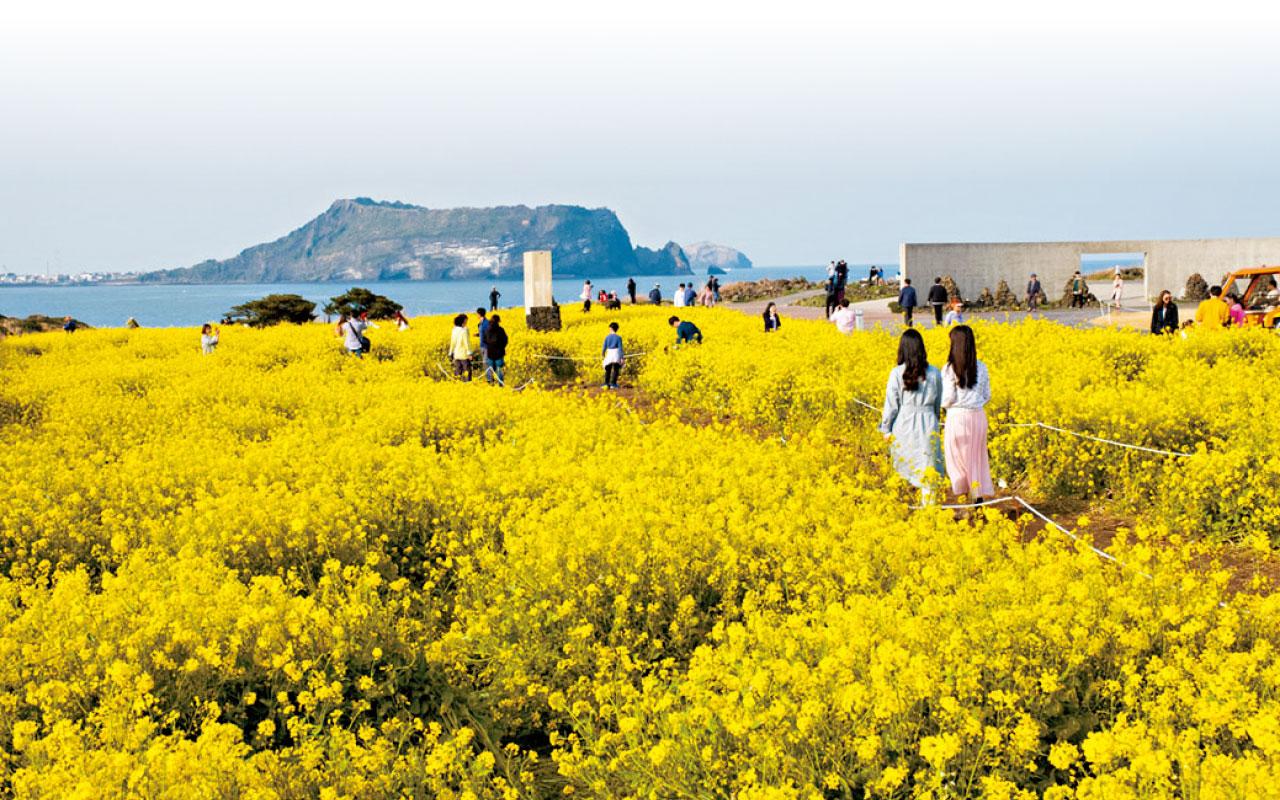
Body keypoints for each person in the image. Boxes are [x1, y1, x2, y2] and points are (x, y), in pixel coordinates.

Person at [878, 328, 944, 503]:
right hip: (929, 422)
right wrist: (935, 420)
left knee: (903, 467)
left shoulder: (896, 373)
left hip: (903, 423)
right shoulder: (935, 372)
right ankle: (928, 512)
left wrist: (885, 428)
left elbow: (891, 405)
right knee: (928, 468)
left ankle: (902, 508)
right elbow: (938, 402)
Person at [941, 325, 994, 501]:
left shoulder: (949, 369)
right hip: (978, 416)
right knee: (976, 459)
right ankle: (977, 497)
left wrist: (942, 405)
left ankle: (965, 498)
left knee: (956, 460)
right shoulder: (982, 367)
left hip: (958, 418)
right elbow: (987, 395)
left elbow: (947, 398)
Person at [484, 314, 508, 386]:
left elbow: (485, 340)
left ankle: (491, 383)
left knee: (490, 369)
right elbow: (505, 340)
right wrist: (502, 347)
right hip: (499, 353)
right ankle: (500, 384)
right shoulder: (500, 329)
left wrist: (489, 346)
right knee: (499, 369)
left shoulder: (487, 330)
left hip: (490, 353)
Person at [449, 313, 473, 380]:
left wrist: (450, 353)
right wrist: (469, 353)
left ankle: (458, 384)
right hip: (464, 355)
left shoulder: (454, 330)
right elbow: (466, 343)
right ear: (463, 322)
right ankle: (467, 385)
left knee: (458, 372)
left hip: (456, 355)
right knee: (467, 371)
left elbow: (452, 343)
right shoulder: (463, 331)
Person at [602, 322, 624, 389]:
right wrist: (622, 357)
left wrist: (602, 354)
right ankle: (613, 384)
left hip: (609, 353)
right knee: (616, 369)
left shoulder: (607, 337)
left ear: (611, 328)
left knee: (608, 369)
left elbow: (604, 347)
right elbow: (620, 348)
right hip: (616, 354)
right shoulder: (618, 338)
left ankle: (606, 383)